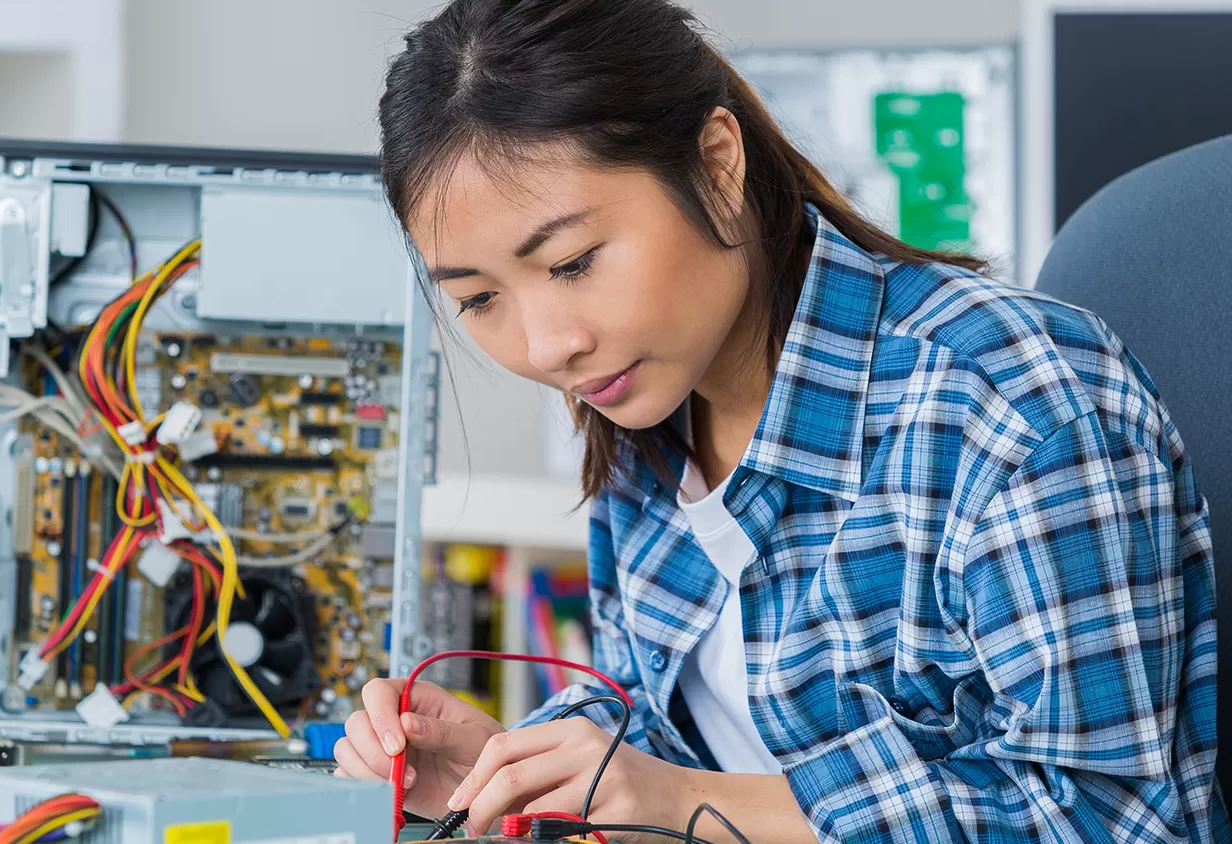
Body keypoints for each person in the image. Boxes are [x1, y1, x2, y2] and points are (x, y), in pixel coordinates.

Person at [331, 0, 1227, 841]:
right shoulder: (641, 410)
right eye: (481, 298)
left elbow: (1104, 820)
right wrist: (513, 774)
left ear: (716, 165)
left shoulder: (1008, 402)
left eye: (571, 263)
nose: (547, 345)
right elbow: (659, 733)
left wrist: (685, 800)